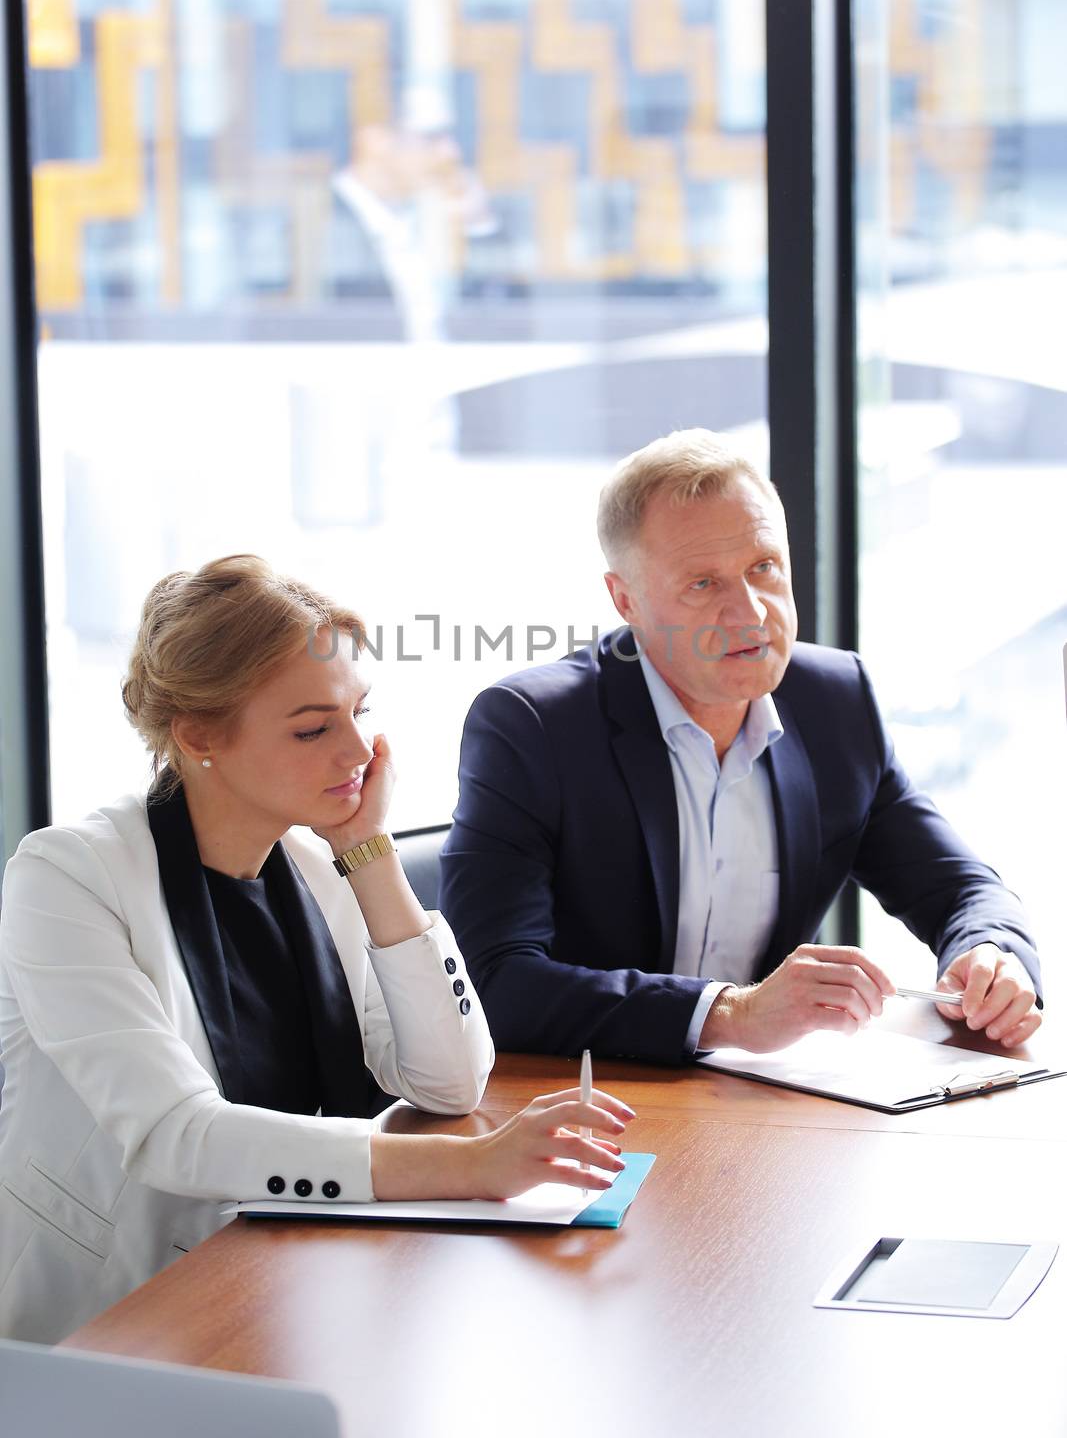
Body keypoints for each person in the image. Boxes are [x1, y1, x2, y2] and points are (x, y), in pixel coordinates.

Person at [0, 556, 633, 1344]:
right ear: (199, 735)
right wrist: (473, 1167)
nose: (358, 752)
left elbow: (449, 1079)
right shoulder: (67, 877)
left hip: (293, 1280)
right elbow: (176, 1135)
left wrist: (369, 851)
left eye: (359, 713)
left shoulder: (313, 863)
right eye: (313, 728)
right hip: (113, 1316)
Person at [440, 430, 1042, 1064]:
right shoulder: (532, 726)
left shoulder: (835, 701)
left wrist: (991, 954)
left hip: (762, 1106)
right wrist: (729, 1014)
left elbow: (961, 889)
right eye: (703, 584)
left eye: (764, 568)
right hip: (583, 1102)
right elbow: (494, 984)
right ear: (626, 600)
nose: (751, 614)